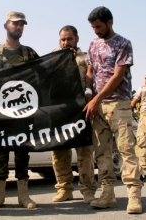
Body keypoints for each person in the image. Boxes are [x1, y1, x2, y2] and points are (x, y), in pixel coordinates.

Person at [83, 6, 143, 214]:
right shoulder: (92, 45)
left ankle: (134, 196)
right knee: (102, 153)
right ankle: (107, 194)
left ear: (109, 22)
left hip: (119, 104)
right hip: (98, 107)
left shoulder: (123, 43)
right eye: (92, 27)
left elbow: (118, 76)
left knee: (126, 150)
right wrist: (89, 93)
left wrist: (96, 99)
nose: (96, 31)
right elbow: (90, 70)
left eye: (99, 26)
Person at [0, 11, 39, 209]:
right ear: (6, 25)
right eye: (15, 24)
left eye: (22, 24)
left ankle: (23, 196)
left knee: (23, 151)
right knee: (1, 152)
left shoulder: (29, 53)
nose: (19, 27)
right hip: (0, 112)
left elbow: (42, 77)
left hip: (24, 111)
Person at [51, 25, 97, 203]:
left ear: (76, 39)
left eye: (69, 39)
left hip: (81, 111)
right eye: (62, 39)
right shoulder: (52, 59)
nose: (65, 42)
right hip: (60, 111)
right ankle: (64, 188)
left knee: (85, 151)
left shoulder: (86, 58)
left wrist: (89, 93)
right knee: (59, 150)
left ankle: (88, 189)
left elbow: (92, 79)